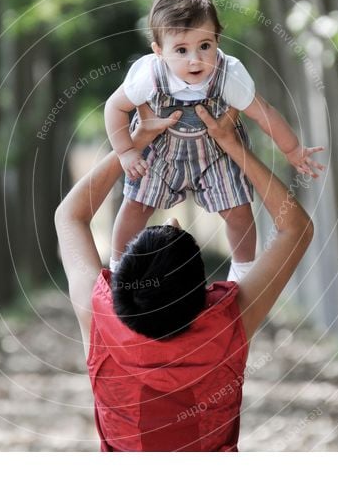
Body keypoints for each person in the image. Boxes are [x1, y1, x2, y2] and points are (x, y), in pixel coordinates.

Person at [55, 104, 314, 452]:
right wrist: (234, 146)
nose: (173, 220)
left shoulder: (98, 316)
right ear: (204, 292)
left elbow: (69, 216)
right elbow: (295, 227)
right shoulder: (225, 325)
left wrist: (132, 143)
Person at [104, 0, 324, 281]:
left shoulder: (228, 74)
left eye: (204, 46)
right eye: (181, 50)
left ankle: (243, 271)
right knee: (136, 206)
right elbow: (115, 108)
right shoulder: (149, 74)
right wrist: (126, 151)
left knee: (239, 211)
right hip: (160, 152)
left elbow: (264, 113)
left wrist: (292, 150)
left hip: (216, 154)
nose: (195, 59)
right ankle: (120, 268)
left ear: (217, 40)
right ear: (159, 51)